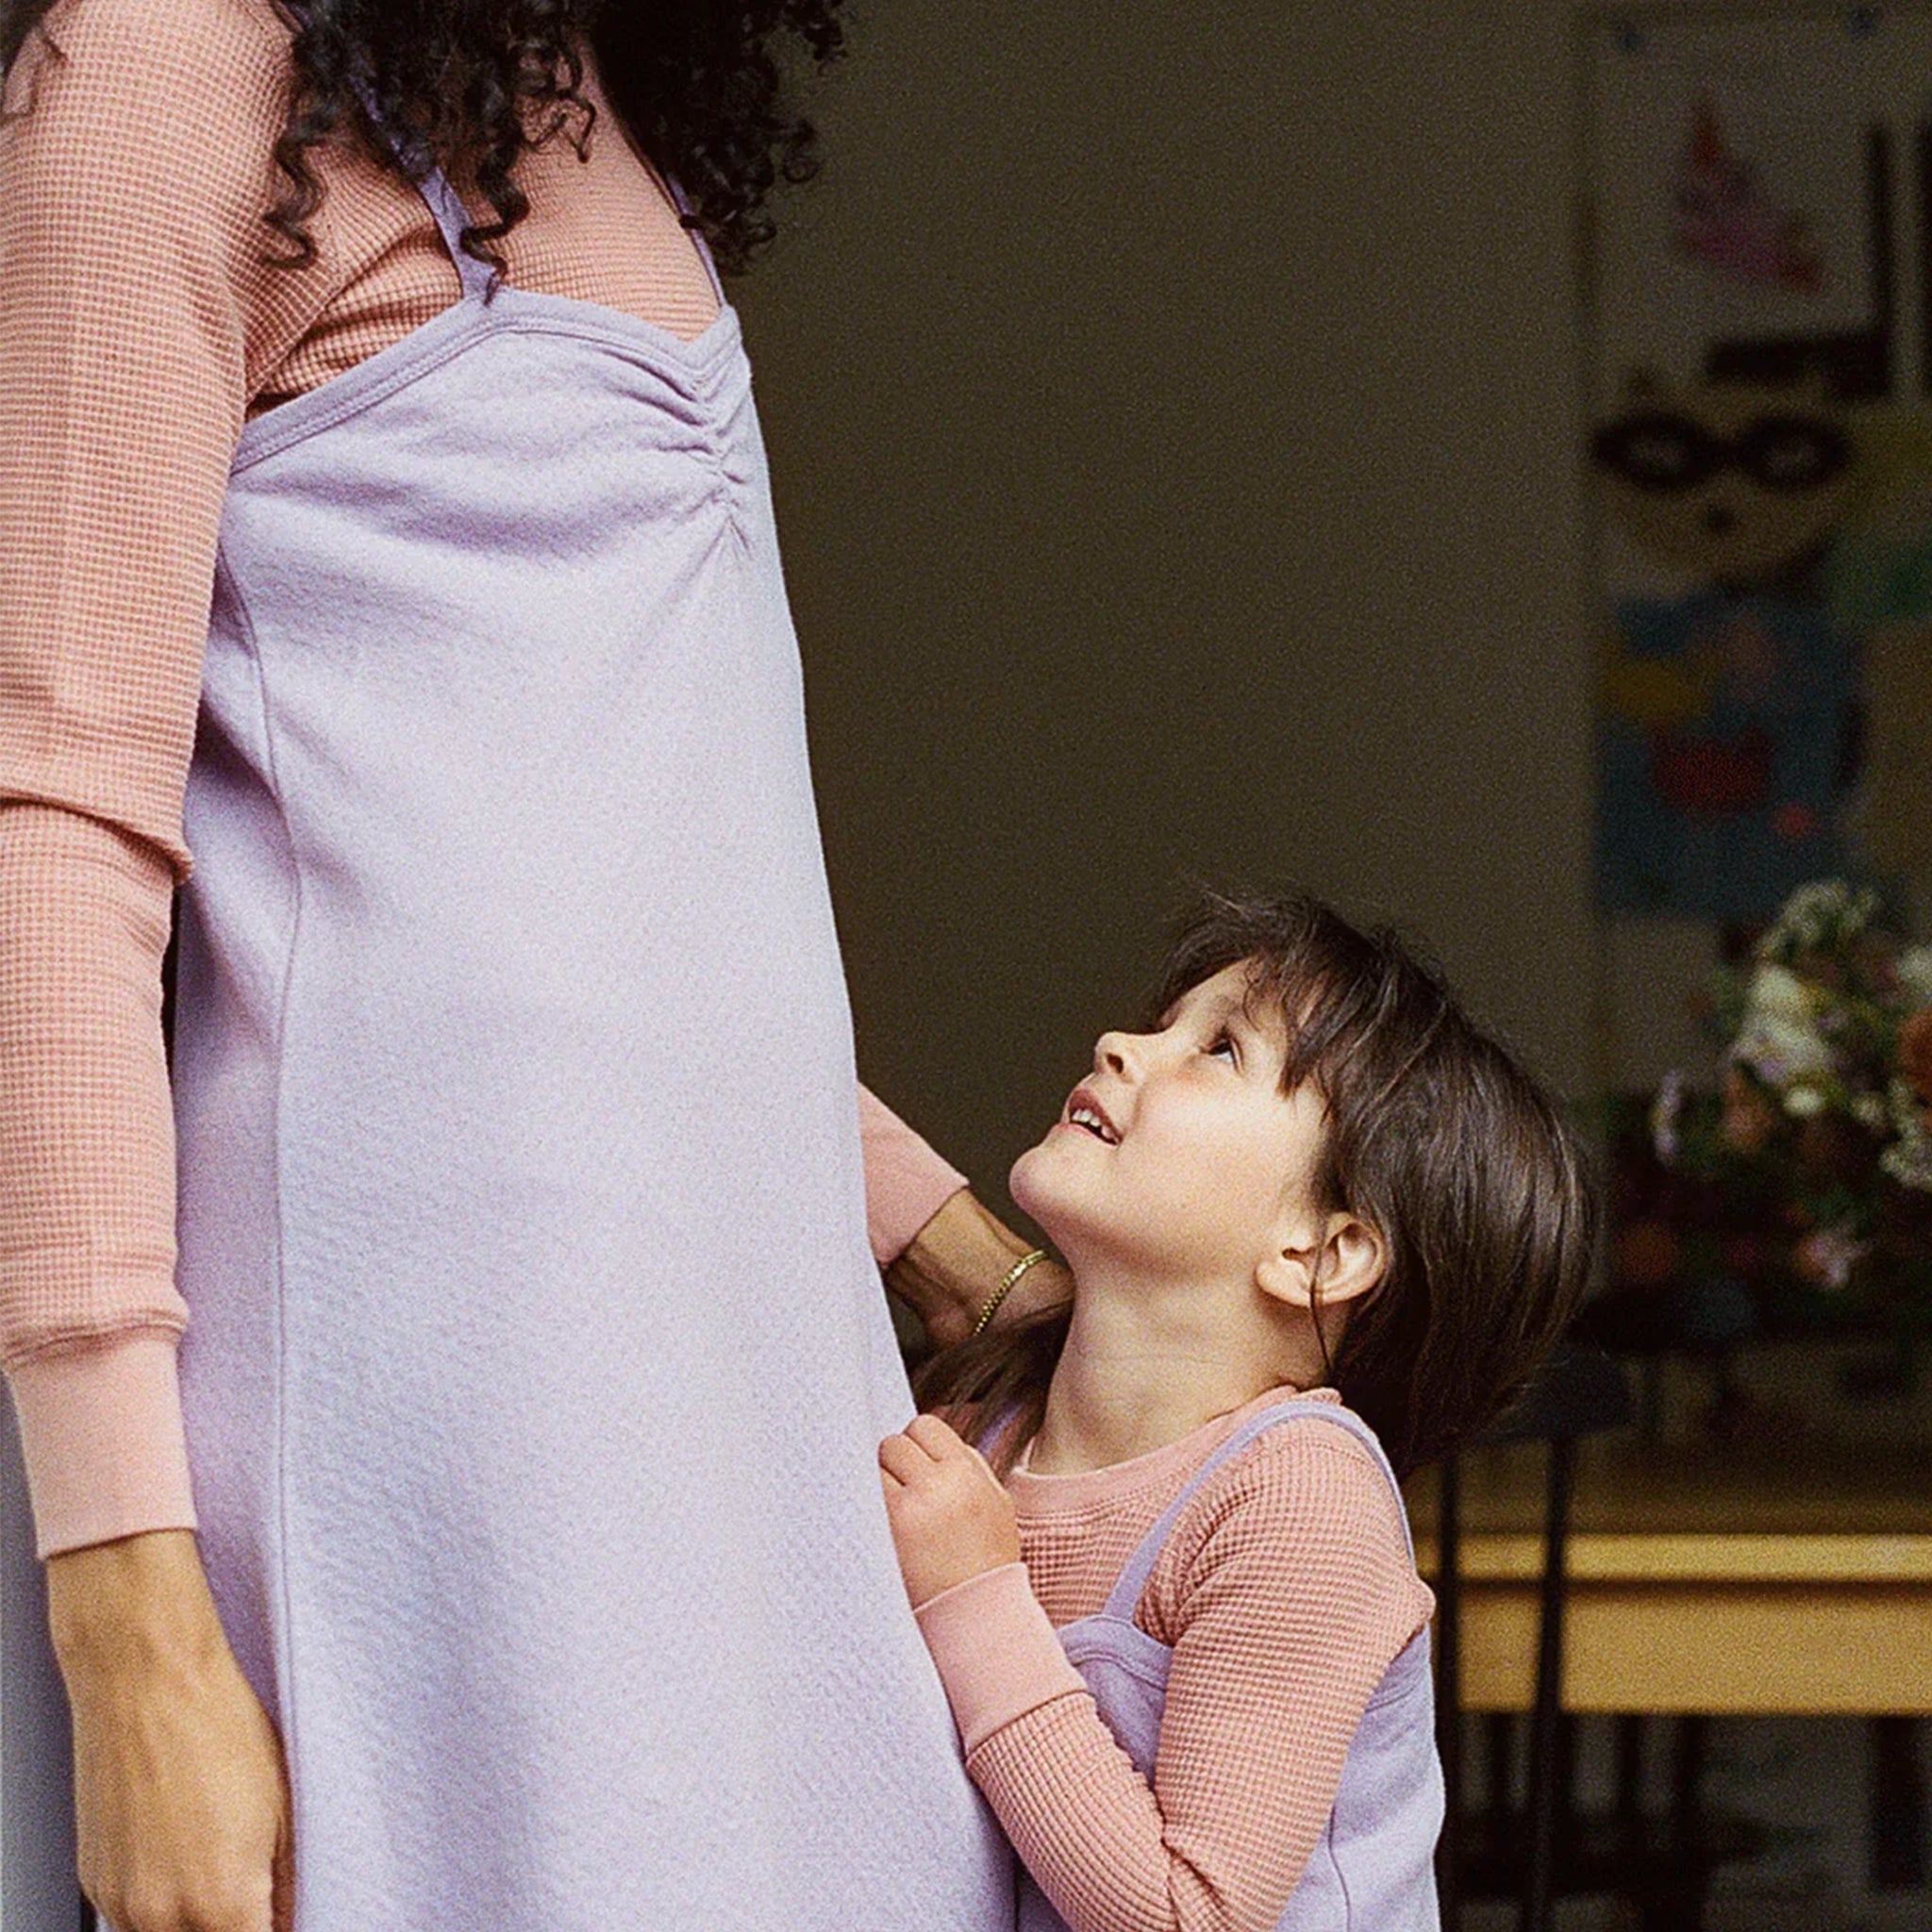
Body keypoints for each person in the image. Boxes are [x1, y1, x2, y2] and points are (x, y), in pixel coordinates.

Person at [0, 3, 1059, 1927]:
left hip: (737, 1369)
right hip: (432, 1404)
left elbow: (583, 877)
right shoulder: (165, 56)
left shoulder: (561, 75)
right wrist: (125, 1615)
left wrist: (938, 1233)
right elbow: (55, 834)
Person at [879, 890, 1600, 1932]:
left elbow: (1192, 1918)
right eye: (1163, 1021)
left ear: (1321, 1249)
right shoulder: (984, 1433)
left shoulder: (1294, 1501)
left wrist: (978, 1595)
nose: (1119, 1042)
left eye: (1218, 1049)